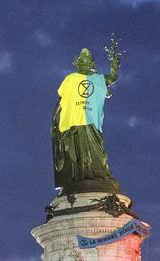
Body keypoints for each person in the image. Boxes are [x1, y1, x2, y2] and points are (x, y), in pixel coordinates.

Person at [51, 41, 122, 192]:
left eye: (88, 61)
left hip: (91, 122)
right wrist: (53, 118)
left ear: (91, 64)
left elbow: (111, 79)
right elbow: (62, 100)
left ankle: (98, 176)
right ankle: (78, 180)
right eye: (82, 62)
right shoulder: (71, 79)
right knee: (76, 154)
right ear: (78, 63)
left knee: (96, 151)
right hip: (74, 123)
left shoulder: (97, 79)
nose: (85, 64)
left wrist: (113, 69)